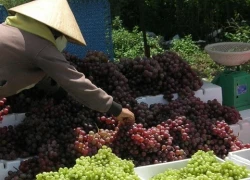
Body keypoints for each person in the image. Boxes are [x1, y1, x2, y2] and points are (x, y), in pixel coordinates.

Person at [0, 0, 135, 124]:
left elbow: (37, 73)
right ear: (56, 33)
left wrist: (59, 93)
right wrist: (115, 109)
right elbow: (74, 81)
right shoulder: (42, 47)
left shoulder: (10, 31)